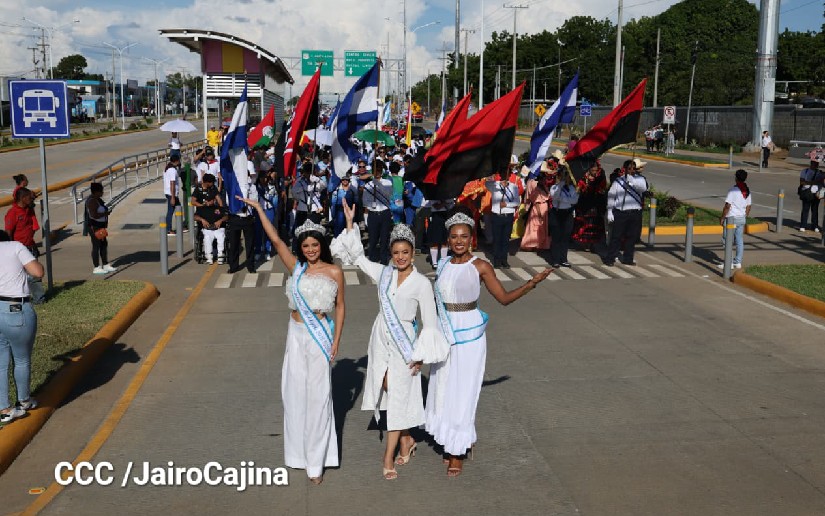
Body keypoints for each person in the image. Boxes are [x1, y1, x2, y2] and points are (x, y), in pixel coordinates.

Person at [425, 210, 552, 477]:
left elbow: (503, 299)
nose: (459, 241)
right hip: (445, 332)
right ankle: (450, 439)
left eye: (464, 236)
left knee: (464, 390)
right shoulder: (443, 265)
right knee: (444, 388)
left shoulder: (480, 266)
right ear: (448, 239)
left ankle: (458, 450)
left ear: (472, 239)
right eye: (454, 237)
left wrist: (532, 283)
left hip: (469, 334)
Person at [331, 200, 448, 480]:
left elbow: (430, 323)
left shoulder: (421, 283)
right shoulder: (384, 274)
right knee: (387, 388)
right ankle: (407, 438)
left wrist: (420, 355)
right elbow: (357, 259)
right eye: (396, 252)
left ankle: (388, 457)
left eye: (405, 252)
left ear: (412, 252)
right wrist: (349, 223)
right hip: (380, 338)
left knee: (396, 397)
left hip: (404, 342)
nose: (400, 257)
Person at [237, 195, 345, 485]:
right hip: (295, 334)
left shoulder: (334, 272)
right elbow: (275, 241)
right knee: (294, 394)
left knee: (319, 397)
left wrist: (336, 341)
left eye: (315, 245)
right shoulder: (296, 268)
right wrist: (259, 209)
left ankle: (316, 463)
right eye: (306, 246)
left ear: (322, 246)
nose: (310, 250)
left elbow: (341, 307)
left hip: (319, 334)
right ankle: (298, 456)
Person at [0, 229, 44, 425]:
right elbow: (38, 272)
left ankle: (4, 408)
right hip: (16, 308)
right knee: (22, 359)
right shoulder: (16, 247)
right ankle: (24, 401)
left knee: (1, 362)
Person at [603, 159, 648, 266]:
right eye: (629, 168)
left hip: (635, 212)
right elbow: (611, 196)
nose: (632, 170)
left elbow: (643, 188)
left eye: (633, 168)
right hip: (621, 212)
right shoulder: (618, 181)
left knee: (631, 237)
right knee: (616, 237)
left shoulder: (640, 180)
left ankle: (628, 258)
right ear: (625, 169)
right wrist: (610, 211)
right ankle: (610, 258)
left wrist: (631, 181)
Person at [718, 169, 752, 269]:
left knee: (726, 239)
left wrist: (722, 217)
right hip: (741, 218)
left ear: (736, 178)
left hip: (731, 219)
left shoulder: (733, 190)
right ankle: (737, 262)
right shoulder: (747, 190)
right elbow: (749, 206)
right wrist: (744, 215)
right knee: (739, 241)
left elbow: (727, 206)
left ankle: (729, 263)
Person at [485, 172, 520, 268]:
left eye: (507, 176)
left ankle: (504, 260)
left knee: (505, 240)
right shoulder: (494, 185)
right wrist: (499, 183)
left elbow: (517, 201)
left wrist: (507, 205)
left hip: (508, 216)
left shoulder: (514, 187)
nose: (506, 177)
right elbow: (486, 184)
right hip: (497, 215)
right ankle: (497, 260)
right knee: (497, 239)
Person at [362, 160, 394, 264]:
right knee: (373, 240)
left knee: (384, 239)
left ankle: (384, 261)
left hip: (384, 213)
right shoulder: (368, 185)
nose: (378, 172)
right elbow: (365, 201)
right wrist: (366, 217)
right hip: (373, 213)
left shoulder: (387, 182)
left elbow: (388, 195)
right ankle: (372, 260)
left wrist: (378, 185)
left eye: (379, 170)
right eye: (376, 170)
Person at [548, 164, 579, 268]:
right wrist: (561, 185)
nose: (566, 178)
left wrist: (564, 200)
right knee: (556, 237)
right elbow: (554, 197)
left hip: (567, 213)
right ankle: (555, 259)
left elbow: (574, 200)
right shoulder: (555, 187)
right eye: (564, 175)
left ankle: (563, 258)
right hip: (557, 213)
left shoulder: (572, 188)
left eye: (567, 176)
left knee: (565, 237)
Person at [572, 161, 608, 252]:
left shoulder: (600, 177)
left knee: (595, 225)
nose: (594, 171)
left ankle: (593, 244)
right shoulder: (583, 177)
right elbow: (578, 189)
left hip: (596, 204)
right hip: (584, 204)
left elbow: (603, 188)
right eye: (593, 169)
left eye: (596, 169)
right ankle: (585, 243)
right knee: (584, 223)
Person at [192, 174, 227, 265]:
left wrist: (220, 209)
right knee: (207, 237)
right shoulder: (198, 189)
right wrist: (203, 205)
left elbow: (220, 201)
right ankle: (209, 257)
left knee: (221, 236)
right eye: (211, 182)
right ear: (207, 182)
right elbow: (193, 202)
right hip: (205, 222)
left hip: (217, 225)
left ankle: (220, 256)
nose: (212, 184)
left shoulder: (213, 189)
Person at [520, 163, 553, 252]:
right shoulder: (536, 188)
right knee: (535, 227)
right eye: (543, 179)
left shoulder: (544, 188)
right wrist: (539, 213)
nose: (545, 180)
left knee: (542, 227)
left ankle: (540, 243)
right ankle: (531, 244)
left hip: (544, 208)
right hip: (537, 209)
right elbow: (536, 202)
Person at [85, 183, 116, 274]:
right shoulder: (91, 201)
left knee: (104, 244)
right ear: (95, 192)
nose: (102, 193)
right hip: (94, 227)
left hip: (100, 226)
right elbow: (93, 215)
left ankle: (105, 264)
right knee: (96, 246)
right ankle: (96, 267)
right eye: (101, 191)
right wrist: (105, 214)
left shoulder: (97, 199)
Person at [798, 159, 824, 233]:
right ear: (811, 163)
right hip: (807, 192)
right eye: (814, 163)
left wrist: (809, 182)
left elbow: (821, 182)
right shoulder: (805, 171)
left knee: (815, 210)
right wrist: (814, 182)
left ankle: (815, 226)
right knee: (805, 209)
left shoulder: (820, 173)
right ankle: (803, 225)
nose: (815, 165)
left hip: (816, 193)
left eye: (817, 163)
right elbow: (802, 182)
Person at [163, 156, 182, 237]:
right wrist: (173, 197)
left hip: (170, 193)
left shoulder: (168, 168)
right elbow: (172, 184)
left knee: (178, 209)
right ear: (176, 161)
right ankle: (168, 229)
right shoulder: (172, 170)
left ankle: (178, 227)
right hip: (172, 194)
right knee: (171, 211)